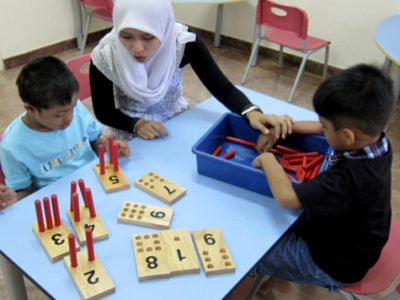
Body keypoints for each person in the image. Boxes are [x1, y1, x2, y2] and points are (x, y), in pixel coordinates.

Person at [252, 64, 393, 293]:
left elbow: (287, 198)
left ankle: (285, 273)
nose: (322, 129)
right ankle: (283, 275)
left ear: (348, 136)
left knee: (250, 250)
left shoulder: (349, 178)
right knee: (273, 221)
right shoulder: (377, 143)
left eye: (326, 127)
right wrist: (289, 128)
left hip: (334, 263)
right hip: (348, 236)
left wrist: (268, 160)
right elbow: (319, 128)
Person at [89, 0, 292, 142]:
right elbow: (104, 111)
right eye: (126, 36)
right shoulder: (107, 54)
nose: (137, 48)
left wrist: (250, 111)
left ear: (164, 28)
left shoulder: (181, 42)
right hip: (128, 126)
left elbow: (222, 88)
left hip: (177, 118)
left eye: (148, 37)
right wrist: (136, 124)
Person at [0, 56, 130, 210]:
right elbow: (23, 190)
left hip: (97, 182)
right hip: (60, 203)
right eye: (58, 115)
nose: (69, 118)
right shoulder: (13, 146)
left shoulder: (74, 109)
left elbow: (94, 139)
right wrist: (14, 199)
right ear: (30, 109)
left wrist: (109, 146)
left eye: (73, 107)